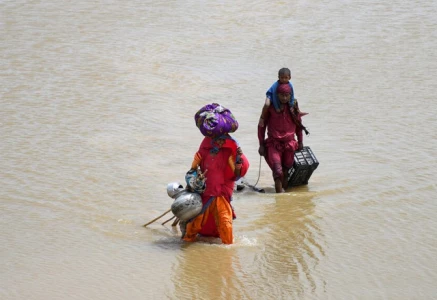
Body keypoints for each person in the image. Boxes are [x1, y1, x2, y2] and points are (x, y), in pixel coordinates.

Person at [182, 134, 249, 244]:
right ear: (212, 140)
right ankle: (186, 245)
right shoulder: (202, 153)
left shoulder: (227, 154)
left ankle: (228, 251)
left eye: (223, 140)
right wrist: (195, 164)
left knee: (226, 224)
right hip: (205, 195)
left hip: (220, 196)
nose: (222, 142)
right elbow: (191, 171)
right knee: (194, 225)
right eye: (219, 140)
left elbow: (235, 175)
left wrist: (238, 162)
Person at [258, 83, 308, 193]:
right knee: (277, 171)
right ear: (277, 95)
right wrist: (261, 144)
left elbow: (299, 126)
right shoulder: (271, 107)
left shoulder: (293, 107)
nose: (284, 98)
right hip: (273, 143)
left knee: (286, 170)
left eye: (287, 95)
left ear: (290, 95)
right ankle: (279, 197)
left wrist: (300, 141)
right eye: (282, 95)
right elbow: (261, 125)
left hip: (289, 144)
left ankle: (283, 197)